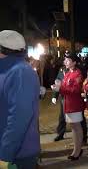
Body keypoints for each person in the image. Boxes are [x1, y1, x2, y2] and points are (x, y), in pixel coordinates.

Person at [0, 30, 40, 168]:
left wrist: (5, 155)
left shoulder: (20, 72)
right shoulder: (6, 70)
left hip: (17, 154)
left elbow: (19, 117)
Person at [52, 52, 85, 161]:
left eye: (68, 60)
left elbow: (75, 90)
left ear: (74, 62)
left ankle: (77, 150)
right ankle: (76, 149)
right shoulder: (67, 73)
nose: (65, 62)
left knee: (77, 127)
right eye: (65, 60)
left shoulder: (77, 74)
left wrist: (60, 88)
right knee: (74, 128)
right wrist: (58, 87)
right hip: (68, 104)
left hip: (74, 104)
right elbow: (66, 87)